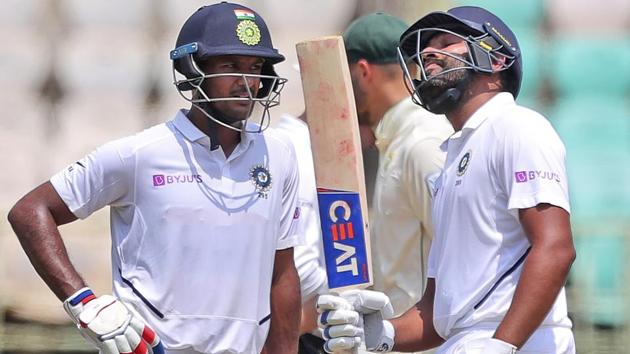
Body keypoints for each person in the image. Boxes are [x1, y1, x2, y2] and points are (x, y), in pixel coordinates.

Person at [7, 3, 301, 354]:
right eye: (230, 66)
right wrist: (82, 301)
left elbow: (283, 274)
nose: (247, 82)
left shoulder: (278, 155)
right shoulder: (140, 154)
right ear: (192, 69)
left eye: (255, 68)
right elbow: (30, 211)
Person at [317, 6, 576, 354]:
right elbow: (436, 313)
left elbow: (556, 248)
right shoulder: (451, 159)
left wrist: (503, 344)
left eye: (445, 42)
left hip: (527, 340)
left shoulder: (518, 126)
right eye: (423, 50)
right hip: (463, 343)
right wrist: (381, 334)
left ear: (496, 60)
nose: (426, 54)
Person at [343, 11, 452, 349]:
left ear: (363, 72)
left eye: (343, 77)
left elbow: (468, 255)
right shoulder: (398, 140)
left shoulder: (422, 144)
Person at [274, 111, 328, 354]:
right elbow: (301, 268)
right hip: (309, 339)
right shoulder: (297, 148)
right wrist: (349, 298)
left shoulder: (305, 145)